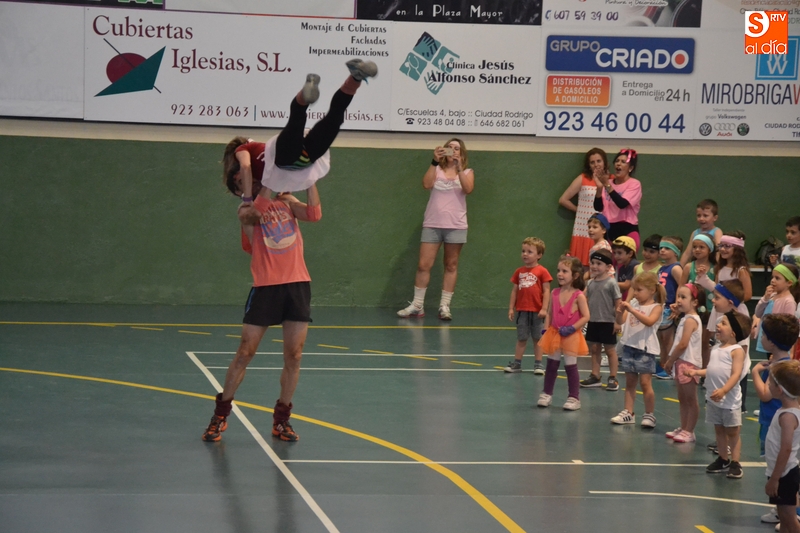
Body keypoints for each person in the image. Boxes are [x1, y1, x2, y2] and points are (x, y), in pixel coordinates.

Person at [202, 182, 323, 443]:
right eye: (242, 183)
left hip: (297, 285)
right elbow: (256, 214)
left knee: (295, 355)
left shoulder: (288, 202)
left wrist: (310, 179)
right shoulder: (246, 209)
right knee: (245, 353)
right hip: (266, 287)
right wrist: (271, 181)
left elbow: (314, 214)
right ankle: (220, 415)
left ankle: (282, 420)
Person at [223, 59, 378, 198]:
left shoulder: (243, 151)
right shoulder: (267, 181)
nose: (252, 189)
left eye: (242, 184)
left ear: (236, 176)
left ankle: (305, 95)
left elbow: (245, 166)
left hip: (283, 156)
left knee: (296, 121)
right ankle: (356, 77)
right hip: (308, 158)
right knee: (335, 118)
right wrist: (284, 189)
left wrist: (247, 198)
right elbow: (278, 184)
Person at [397, 138, 475, 321]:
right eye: (449, 147)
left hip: (456, 225)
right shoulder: (437, 170)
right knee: (423, 265)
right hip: (432, 224)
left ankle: (444, 306)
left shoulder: (468, 172)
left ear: (462, 153)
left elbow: (468, 189)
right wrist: (434, 161)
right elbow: (426, 184)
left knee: (451, 265)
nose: (452, 151)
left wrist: (459, 168)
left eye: (456, 148)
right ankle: (417, 305)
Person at [684, 311, 752, 479]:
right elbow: (712, 370)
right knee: (719, 430)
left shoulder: (737, 351)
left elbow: (736, 374)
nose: (718, 326)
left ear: (733, 333)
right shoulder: (716, 348)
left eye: (723, 323)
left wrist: (724, 390)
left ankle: (735, 462)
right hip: (713, 399)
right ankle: (723, 459)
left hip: (729, 401)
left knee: (733, 432)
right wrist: (696, 372)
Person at [753, 315, 800, 526]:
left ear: (771, 341)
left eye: (764, 335)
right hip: (776, 419)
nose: (761, 338)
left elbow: (765, 395)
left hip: (774, 421)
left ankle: (789, 512)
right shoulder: (789, 365)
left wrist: (755, 372)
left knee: (778, 461)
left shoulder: (777, 369)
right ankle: (785, 509)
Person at [611, 272, 665, 428]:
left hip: (645, 350)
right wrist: (619, 312)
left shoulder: (656, 307)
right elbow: (621, 321)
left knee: (645, 383)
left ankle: (649, 414)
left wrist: (632, 310)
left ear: (652, 290)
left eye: (639, 290)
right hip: (629, 347)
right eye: (634, 289)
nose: (635, 293)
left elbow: (649, 322)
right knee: (630, 383)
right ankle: (628, 412)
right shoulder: (634, 304)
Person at [537, 256, 590, 411]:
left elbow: (586, 316)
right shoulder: (554, 293)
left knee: (570, 365)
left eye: (565, 271)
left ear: (575, 275)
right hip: (554, 333)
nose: (560, 274)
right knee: (551, 365)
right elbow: (549, 314)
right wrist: (545, 330)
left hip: (570, 335)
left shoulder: (579, 296)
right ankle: (547, 393)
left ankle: (574, 397)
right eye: (559, 270)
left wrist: (573, 328)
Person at [663, 284, 705, 443]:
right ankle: (684, 427)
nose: (679, 300)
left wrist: (670, 360)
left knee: (690, 399)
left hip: (688, 364)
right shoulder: (685, 318)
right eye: (678, 296)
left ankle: (690, 430)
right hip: (681, 362)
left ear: (695, 302)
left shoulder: (690, 320)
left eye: (683, 297)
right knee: (682, 398)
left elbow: (683, 344)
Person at [762, 360, 800, 533]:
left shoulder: (788, 417)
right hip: (782, 473)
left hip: (784, 474)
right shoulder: (787, 411)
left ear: (779, 390)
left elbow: (786, 449)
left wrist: (775, 478)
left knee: (789, 519)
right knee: (784, 519)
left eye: (770, 383)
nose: (768, 385)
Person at [505, 237, 552, 375]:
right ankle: (517, 364)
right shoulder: (519, 272)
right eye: (523, 251)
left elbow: (546, 291)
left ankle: (538, 364)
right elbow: (514, 291)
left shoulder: (542, 271)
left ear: (539, 255)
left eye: (530, 252)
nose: (525, 254)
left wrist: (544, 308)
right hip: (522, 311)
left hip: (537, 312)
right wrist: (511, 308)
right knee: (521, 338)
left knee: (538, 339)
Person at [580, 249, 621, 391]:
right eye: (592, 263)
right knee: (595, 349)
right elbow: (583, 299)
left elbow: (618, 304)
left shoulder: (611, 283)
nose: (594, 266)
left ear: (608, 267)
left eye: (599, 263)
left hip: (608, 322)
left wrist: (618, 321)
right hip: (593, 321)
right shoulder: (590, 283)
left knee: (610, 350)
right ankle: (595, 376)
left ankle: (613, 377)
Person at [559, 148, 607, 265]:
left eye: (599, 161)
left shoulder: (610, 180)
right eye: (592, 162)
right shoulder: (583, 178)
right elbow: (563, 199)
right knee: (580, 266)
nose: (596, 165)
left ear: (604, 162)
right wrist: (580, 211)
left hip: (602, 229)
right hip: (583, 229)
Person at [679, 233, 716, 368]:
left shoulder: (715, 268)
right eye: (694, 247)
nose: (697, 250)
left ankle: (704, 370)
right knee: (689, 340)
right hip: (692, 309)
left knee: (704, 342)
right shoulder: (689, 267)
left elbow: (717, 288)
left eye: (701, 247)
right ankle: (689, 367)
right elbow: (681, 287)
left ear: (710, 249)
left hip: (708, 310)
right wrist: (678, 302)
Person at [593, 148, 643, 248]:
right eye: (617, 161)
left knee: (623, 257)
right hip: (609, 228)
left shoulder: (634, 184)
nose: (618, 164)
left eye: (623, 162)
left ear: (630, 168)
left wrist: (606, 185)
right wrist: (599, 187)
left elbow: (622, 204)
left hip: (626, 229)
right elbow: (598, 207)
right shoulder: (609, 183)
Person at [754, 264, 800, 363]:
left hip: (777, 343)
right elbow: (758, 313)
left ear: (789, 283)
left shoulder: (789, 302)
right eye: (772, 277)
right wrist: (765, 298)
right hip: (768, 338)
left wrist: (788, 350)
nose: (772, 281)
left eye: (777, 278)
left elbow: (789, 327)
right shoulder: (771, 296)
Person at [655, 237, 684, 379]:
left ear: (676, 252)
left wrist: (678, 304)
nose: (662, 250)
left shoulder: (676, 268)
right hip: (662, 306)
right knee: (661, 339)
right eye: (661, 248)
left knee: (668, 339)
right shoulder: (662, 268)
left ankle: (669, 367)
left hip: (670, 307)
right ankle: (663, 363)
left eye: (667, 248)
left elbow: (682, 285)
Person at [679, 199, 723, 267]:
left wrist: (719, 267)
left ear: (715, 218)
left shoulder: (717, 232)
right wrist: (680, 267)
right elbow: (687, 253)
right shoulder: (695, 233)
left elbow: (719, 251)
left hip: (711, 266)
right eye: (699, 215)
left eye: (705, 216)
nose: (701, 219)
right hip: (697, 266)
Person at [586, 213, 614, 278]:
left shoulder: (603, 246)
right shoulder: (595, 246)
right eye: (589, 227)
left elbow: (604, 268)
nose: (590, 230)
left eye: (594, 227)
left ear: (604, 230)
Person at [612, 236, 639, 301]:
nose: (616, 256)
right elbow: (621, 289)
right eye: (614, 253)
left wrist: (608, 282)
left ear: (630, 253)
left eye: (619, 253)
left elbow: (627, 285)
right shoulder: (622, 268)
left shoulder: (633, 265)